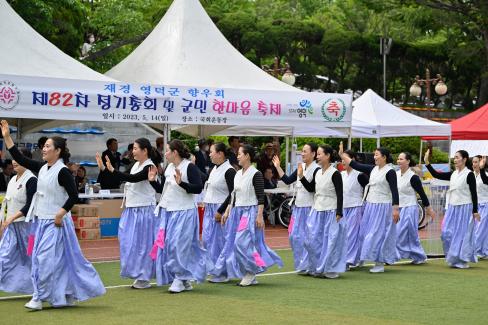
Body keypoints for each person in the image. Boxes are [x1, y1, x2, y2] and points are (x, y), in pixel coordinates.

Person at [1, 120, 105, 310]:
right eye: (44, 146)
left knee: (44, 259)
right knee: (52, 260)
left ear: (57, 151)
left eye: (48, 146)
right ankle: (64, 293)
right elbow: (21, 158)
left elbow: (74, 195)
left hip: (56, 223)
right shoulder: (42, 168)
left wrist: (60, 214)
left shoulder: (62, 171)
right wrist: (7, 136)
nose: (44, 149)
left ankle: (39, 297)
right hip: (41, 222)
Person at [211, 144, 283, 286]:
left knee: (241, 243)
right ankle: (248, 272)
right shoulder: (238, 174)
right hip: (237, 211)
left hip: (248, 212)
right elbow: (234, 195)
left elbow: (260, 197)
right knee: (234, 243)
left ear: (247, 156)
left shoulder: (255, 174)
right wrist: (227, 211)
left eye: (239, 154)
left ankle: (251, 271)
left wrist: (259, 215)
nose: (237, 156)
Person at [96, 138, 160, 289]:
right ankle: (138, 273)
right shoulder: (136, 165)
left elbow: (133, 178)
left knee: (142, 244)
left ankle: (144, 277)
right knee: (128, 242)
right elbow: (120, 176)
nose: (133, 151)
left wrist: (112, 170)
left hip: (143, 210)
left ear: (145, 151)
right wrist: (104, 169)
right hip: (132, 209)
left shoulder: (149, 166)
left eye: (136, 148)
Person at [150, 139, 207, 293]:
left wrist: (182, 183)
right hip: (170, 212)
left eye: (167, 150)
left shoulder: (189, 167)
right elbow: (164, 190)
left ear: (175, 152)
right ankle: (184, 279)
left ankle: (179, 277)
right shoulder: (169, 168)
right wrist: (153, 182)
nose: (165, 153)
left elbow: (198, 188)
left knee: (178, 246)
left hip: (185, 212)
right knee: (169, 245)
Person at [341, 147, 400, 273]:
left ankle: (379, 263)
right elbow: (354, 164)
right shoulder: (372, 169)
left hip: (383, 206)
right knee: (363, 234)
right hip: (370, 205)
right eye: (374, 155)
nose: (374, 157)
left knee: (377, 235)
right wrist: (342, 154)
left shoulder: (390, 172)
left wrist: (395, 209)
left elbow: (395, 191)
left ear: (384, 157)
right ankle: (361, 258)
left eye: (377, 155)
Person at [425, 149, 479, 268]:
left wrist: (475, 211)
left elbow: (474, 194)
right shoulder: (453, 174)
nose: (455, 159)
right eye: (454, 157)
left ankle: (462, 260)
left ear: (464, 159)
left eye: (457, 157)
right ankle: (453, 257)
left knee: (462, 235)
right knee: (446, 233)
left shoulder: (469, 174)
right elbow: (436, 175)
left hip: (465, 207)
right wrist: (427, 163)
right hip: (452, 208)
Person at [299, 145, 346, 278]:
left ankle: (330, 269)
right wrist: (302, 177)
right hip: (317, 209)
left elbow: (340, 194)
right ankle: (317, 266)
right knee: (312, 240)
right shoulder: (317, 172)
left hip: (331, 211)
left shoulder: (335, 173)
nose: (317, 157)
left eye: (320, 154)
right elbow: (311, 188)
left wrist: (339, 212)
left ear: (328, 156)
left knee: (330, 241)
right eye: (317, 154)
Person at [272, 143, 320, 272]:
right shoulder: (301, 167)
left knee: (308, 239)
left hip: (310, 208)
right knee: (294, 236)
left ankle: (311, 266)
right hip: (298, 208)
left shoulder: (317, 170)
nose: (302, 154)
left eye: (305, 151)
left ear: (313, 154)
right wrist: (277, 167)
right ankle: (301, 264)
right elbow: (287, 180)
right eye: (302, 151)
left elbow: (312, 189)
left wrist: (301, 176)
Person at [0, 149, 37, 294]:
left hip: (29, 228)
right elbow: (7, 204)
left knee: (32, 257)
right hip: (12, 228)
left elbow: (29, 206)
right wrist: (4, 221)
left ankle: (40, 288)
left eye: (18, 158)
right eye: (13, 158)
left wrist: (12, 218)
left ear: (27, 160)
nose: (14, 161)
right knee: (4, 255)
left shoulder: (32, 180)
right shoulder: (12, 180)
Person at [202, 143, 236, 282]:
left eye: (212, 152)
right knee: (207, 240)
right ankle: (214, 269)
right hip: (209, 208)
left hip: (220, 209)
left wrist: (221, 210)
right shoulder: (214, 169)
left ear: (220, 153)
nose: (209, 154)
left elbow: (233, 193)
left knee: (219, 242)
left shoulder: (229, 171)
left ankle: (222, 272)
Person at [396, 152, 434, 264]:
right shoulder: (395, 174)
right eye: (398, 159)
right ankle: (400, 255)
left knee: (408, 233)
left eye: (401, 159)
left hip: (409, 208)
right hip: (398, 208)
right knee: (396, 233)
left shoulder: (413, 177)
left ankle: (419, 256)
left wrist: (429, 208)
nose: (398, 161)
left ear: (408, 161)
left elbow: (422, 194)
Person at [338, 142, 369, 268]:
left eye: (345, 159)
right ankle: (357, 258)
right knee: (344, 235)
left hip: (356, 207)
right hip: (343, 208)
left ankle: (348, 260)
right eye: (341, 159)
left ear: (353, 160)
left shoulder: (360, 175)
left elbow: (368, 189)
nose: (343, 162)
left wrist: (364, 205)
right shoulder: (341, 175)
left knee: (352, 235)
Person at [473, 156, 488, 259]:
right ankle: (483, 251)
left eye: (477, 162)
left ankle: (475, 251)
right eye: (473, 162)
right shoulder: (471, 175)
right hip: (475, 206)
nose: (474, 164)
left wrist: (482, 169)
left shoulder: (486, 175)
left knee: (480, 229)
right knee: (479, 229)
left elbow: (485, 180)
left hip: (486, 204)